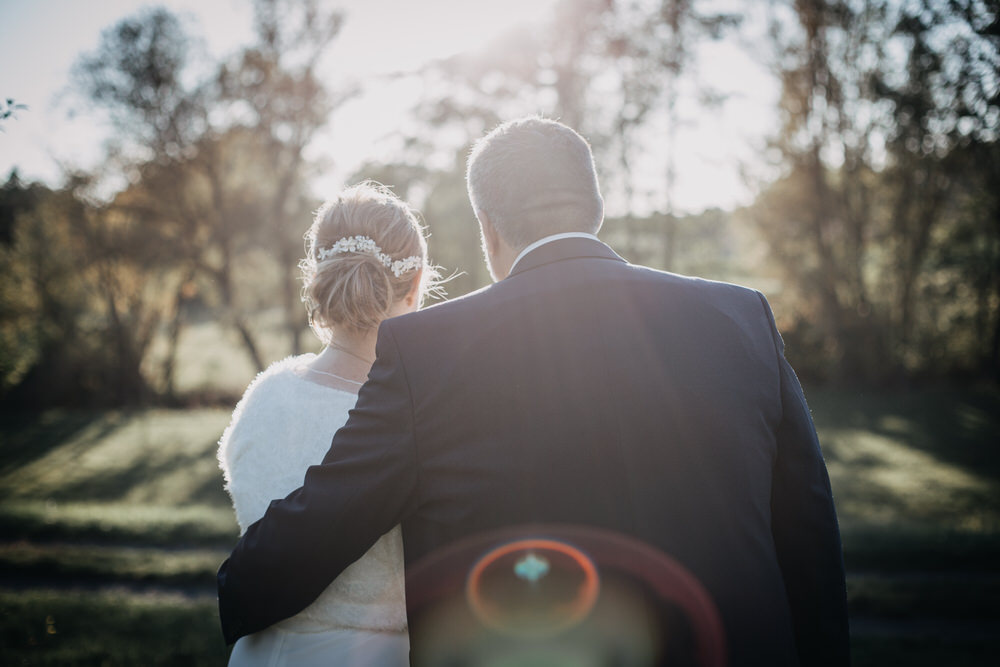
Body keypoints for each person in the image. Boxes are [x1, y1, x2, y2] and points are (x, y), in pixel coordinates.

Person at [217, 117, 850, 667]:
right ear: (593, 208)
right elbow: (808, 535)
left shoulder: (429, 353)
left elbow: (329, 516)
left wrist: (237, 591)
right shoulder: (741, 318)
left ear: (489, 229)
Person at [217, 181, 437, 665]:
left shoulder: (266, 395)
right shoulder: (422, 416)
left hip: (261, 650)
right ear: (417, 282)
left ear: (318, 274)